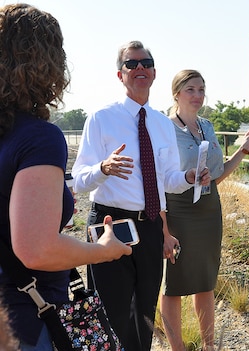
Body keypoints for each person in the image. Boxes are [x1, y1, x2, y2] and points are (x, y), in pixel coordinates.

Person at [0, 4, 131, 350]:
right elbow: (37, 250)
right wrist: (101, 251)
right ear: (49, 63)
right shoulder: (38, 138)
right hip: (24, 320)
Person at [72, 41, 206, 351]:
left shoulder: (161, 124)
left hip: (148, 228)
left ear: (155, 72)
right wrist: (103, 168)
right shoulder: (101, 118)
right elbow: (78, 181)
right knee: (110, 315)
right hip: (110, 225)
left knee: (143, 316)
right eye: (131, 64)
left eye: (145, 62)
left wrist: (188, 177)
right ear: (120, 75)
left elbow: (168, 181)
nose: (139, 68)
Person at [159, 69, 249, 351]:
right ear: (176, 93)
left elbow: (216, 175)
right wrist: (163, 229)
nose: (198, 95)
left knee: (205, 280)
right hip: (178, 209)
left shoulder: (208, 126)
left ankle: (209, 346)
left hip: (210, 209)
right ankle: (177, 348)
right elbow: (158, 181)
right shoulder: (165, 129)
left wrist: (243, 151)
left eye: (201, 90)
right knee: (174, 284)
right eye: (191, 89)